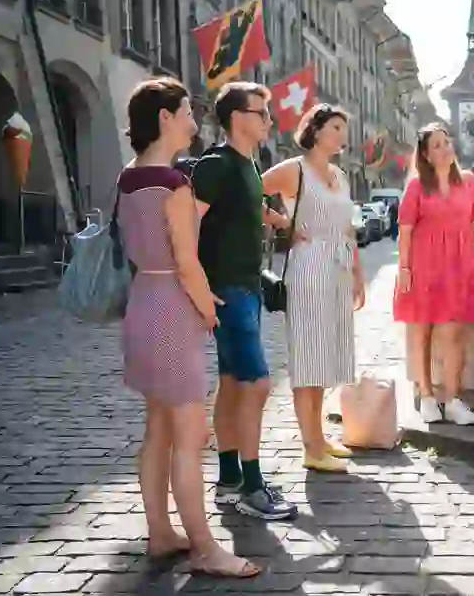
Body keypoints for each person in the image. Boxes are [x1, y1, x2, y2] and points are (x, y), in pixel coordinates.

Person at [118, 77, 259, 577]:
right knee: (191, 432)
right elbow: (188, 263)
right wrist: (208, 308)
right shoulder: (174, 183)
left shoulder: (129, 176)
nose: (194, 123)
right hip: (172, 308)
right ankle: (204, 546)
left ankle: (161, 532)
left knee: (158, 428)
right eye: (186, 113)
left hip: (142, 303)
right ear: (164, 119)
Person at [191, 82, 297, 521]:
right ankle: (253, 488)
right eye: (262, 113)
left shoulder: (249, 167)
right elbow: (187, 224)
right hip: (226, 289)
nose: (269, 121)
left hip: (247, 285)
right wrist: (195, 283)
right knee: (257, 383)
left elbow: (244, 209)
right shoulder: (215, 165)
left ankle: (230, 478)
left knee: (234, 383)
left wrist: (279, 220)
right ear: (238, 118)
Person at [261, 104, 364, 473]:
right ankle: (310, 447)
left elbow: (349, 228)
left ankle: (320, 438)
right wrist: (280, 221)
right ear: (316, 130)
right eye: (336, 127)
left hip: (337, 266)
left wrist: (357, 272)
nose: (342, 135)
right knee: (308, 358)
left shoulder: (339, 174)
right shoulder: (294, 169)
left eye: (343, 129)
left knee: (324, 357)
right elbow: (249, 191)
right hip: (307, 267)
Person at [394, 124, 474, 425]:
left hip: (459, 264)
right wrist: (404, 269)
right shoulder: (416, 186)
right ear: (425, 153)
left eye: (447, 142)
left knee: (453, 333)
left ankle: (453, 398)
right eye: (437, 145)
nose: (445, 148)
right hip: (423, 264)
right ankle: (426, 395)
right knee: (422, 332)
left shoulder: (469, 182)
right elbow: (405, 231)